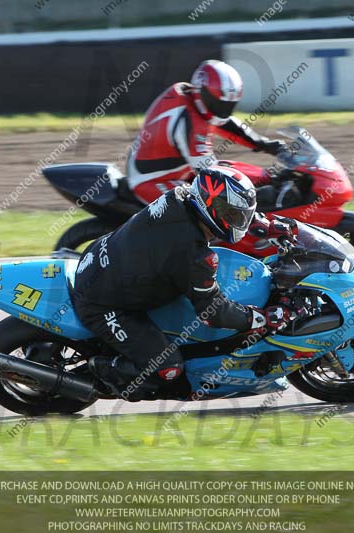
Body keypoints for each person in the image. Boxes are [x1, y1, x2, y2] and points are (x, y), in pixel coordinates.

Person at [71, 166, 294, 400]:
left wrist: (263, 225)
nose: (240, 221)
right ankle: (104, 372)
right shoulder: (193, 255)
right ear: (210, 206)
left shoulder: (180, 196)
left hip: (101, 258)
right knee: (168, 369)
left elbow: (222, 212)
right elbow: (213, 312)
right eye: (234, 215)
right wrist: (261, 318)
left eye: (242, 215)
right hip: (102, 304)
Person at [126, 59, 287, 205]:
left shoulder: (190, 97)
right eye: (217, 104)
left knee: (230, 168)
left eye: (227, 106)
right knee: (200, 210)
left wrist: (265, 145)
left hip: (176, 170)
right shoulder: (188, 122)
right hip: (151, 180)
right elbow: (213, 176)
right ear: (202, 93)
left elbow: (225, 123)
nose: (222, 110)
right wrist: (258, 191)